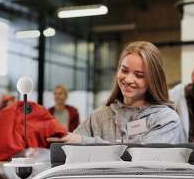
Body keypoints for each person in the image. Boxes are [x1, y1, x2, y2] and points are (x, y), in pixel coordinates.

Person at [49, 41, 185, 144]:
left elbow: (140, 162)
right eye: (124, 70)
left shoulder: (166, 120)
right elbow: (71, 150)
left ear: (153, 79)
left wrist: (85, 142)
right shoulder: (98, 117)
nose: (128, 79)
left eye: (139, 75)